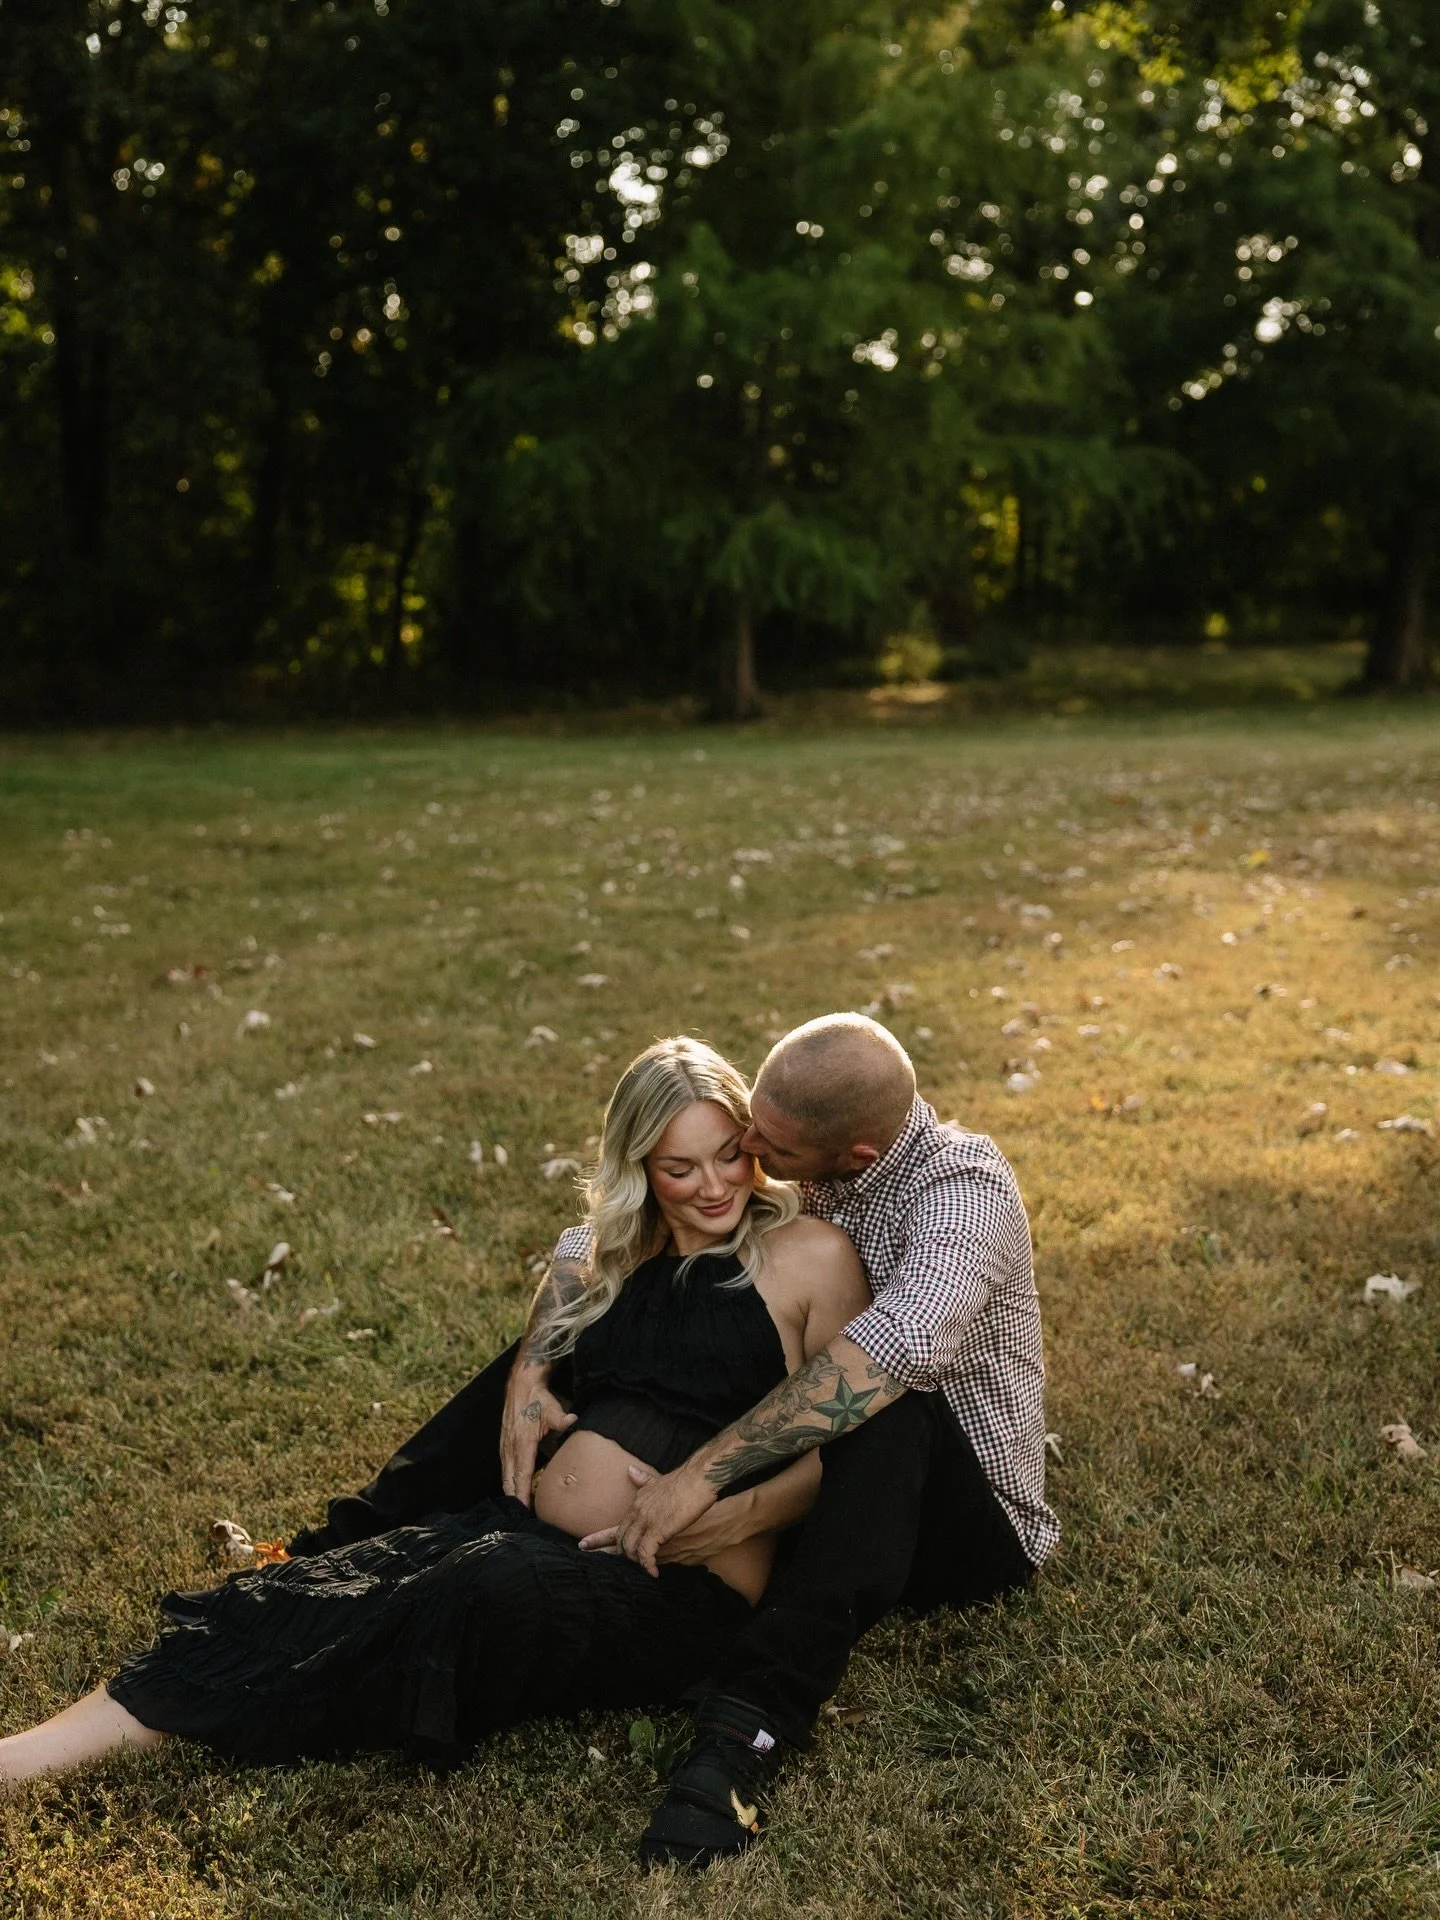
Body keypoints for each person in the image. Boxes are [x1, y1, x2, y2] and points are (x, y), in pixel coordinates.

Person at [273, 1011, 1056, 1870]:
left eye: (765, 1145)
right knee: (597, 1324)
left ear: (853, 1157)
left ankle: (744, 1733)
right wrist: (534, 1372)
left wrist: (708, 1484)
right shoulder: (816, 1136)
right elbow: (594, 1240)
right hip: (811, 1497)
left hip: (951, 1520)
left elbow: (882, 1360)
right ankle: (336, 1547)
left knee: (882, 1399)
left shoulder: (961, 1199)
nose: (748, 1147)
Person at [0, 1039, 869, 1799]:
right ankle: (27, 1754)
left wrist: (717, 1516)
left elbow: (846, 1465)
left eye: (728, 1156)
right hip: (522, 1531)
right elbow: (571, 1263)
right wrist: (530, 1370)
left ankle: (242, 1713)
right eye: (680, 1168)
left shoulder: (810, 1261)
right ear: (638, 1167)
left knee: (464, 1594)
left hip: (680, 1586)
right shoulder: (620, 1254)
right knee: (299, 1593)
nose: (714, 1185)